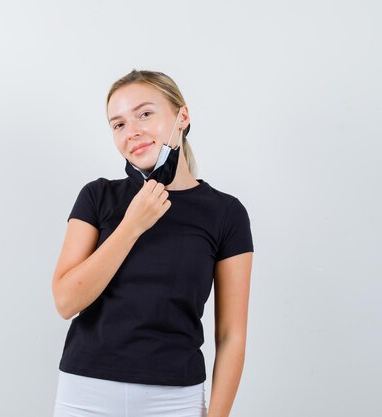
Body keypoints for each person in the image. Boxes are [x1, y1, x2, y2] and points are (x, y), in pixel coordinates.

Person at [51, 69, 254, 417]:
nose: (133, 131)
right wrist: (132, 225)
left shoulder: (226, 213)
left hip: (177, 400)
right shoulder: (98, 196)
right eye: (118, 124)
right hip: (87, 393)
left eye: (145, 113)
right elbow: (67, 301)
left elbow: (231, 335)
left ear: (182, 116)